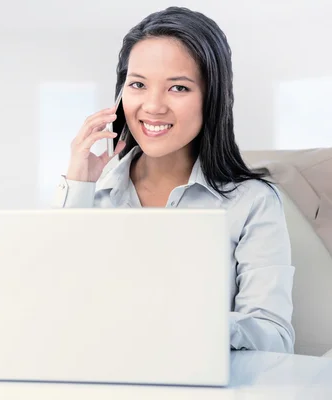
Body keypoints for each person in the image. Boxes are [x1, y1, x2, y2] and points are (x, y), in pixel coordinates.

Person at [53, 6, 295, 353]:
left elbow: (275, 338)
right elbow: (52, 310)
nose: (152, 106)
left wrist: (184, 321)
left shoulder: (252, 202)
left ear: (211, 98)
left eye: (178, 88)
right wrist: (77, 185)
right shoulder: (93, 193)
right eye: (137, 84)